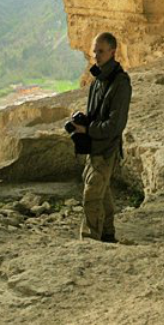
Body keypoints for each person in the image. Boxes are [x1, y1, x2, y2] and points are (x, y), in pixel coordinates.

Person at [71, 32, 132, 242]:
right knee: (102, 192)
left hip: (106, 149)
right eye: (94, 51)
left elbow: (115, 126)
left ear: (113, 52)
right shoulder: (98, 79)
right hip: (94, 147)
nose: (96, 56)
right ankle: (107, 235)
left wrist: (87, 130)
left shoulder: (120, 83)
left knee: (92, 195)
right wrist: (83, 122)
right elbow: (96, 114)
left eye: (101, 51)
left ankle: (90, 240)